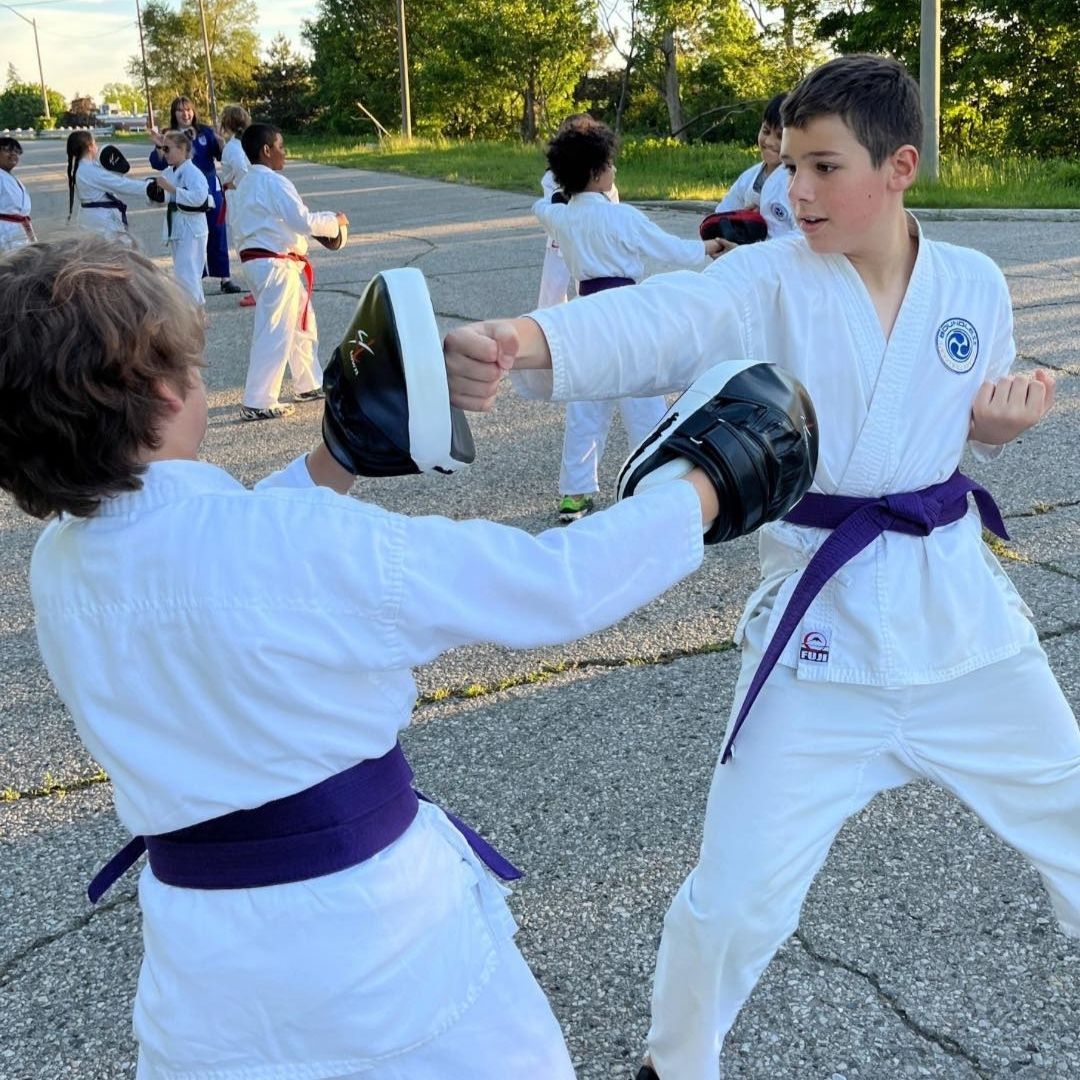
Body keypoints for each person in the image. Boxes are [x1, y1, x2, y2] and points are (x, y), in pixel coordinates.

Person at [444, 54, 1076, 1080]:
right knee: (734, 903)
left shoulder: (974, 285)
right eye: (790, 165)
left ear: (901, 167)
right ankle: (674, 1066)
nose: (797, 191)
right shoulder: (769, 277)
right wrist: (521, 338)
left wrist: (996, 431)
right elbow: (656, 321)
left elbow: (948, 429)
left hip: (964, 632)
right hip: (822, 643)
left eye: (825, 168)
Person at [0, 235, 729, 1080]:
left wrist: (334, 460)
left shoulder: (59, 563)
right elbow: (551, 585)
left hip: (203, 961)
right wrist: (701, 489)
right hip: (380, 942)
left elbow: (209, 550)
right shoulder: (301, 547)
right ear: (166, 386)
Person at [533, 115, 723, 522]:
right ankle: (657, 482)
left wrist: (557, 195)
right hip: (627, 313)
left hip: (585, 315)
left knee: (586, 406)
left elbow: (542, 206)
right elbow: (668, 247)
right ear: (598, 172)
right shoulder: (622, 216)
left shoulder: (561, 217)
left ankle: (575, 493)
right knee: (645, 403)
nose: (615, 171)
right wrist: (708, 249)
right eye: (611, 165)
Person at [230, 123, 346, 421]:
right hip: (275, 264)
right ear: (266, 150)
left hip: (261, 262)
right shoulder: (274, 182)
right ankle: (258, 400)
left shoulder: (245, 184)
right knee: (276, 330)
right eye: (281, 146)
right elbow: (303, 220)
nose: (284, 152)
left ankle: (309, 382)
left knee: (300, 326)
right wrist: (334, 221)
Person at [149, 96, 243, 295]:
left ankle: (225, 277)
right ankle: (195, 279)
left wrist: (220, 142)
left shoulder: (205, 132)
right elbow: (158, 163)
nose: (185, 114)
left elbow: (220, 156)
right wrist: (159, 146)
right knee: (191, 234)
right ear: (174, 114)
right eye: (180, 110)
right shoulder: (169, 135)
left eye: (189, 109)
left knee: (217, 230)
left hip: (209, 184)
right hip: (183, 186)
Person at [712, 92, 797, 246]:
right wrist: (740, 219)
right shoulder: (749, 178)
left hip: (782, 264)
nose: (769, 141)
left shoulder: (797, 184)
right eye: (765, 131)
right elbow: (721, 215)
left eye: (780, 136)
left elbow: (802, 239)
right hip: (748, 261)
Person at [152, 130, 210, 313]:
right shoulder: (168, 172)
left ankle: (193, 314)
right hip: (177, 226)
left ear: (183, 149)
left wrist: (172, 189)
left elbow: (200, 198)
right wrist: (155, 194)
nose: (164, 152)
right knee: (183, 272)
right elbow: (162, 198)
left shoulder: (194, 173)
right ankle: (197, 313)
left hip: (192, 229)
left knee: (189, 273)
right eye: (162, 148)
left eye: (167, 148)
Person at [66, 131, 157, 244]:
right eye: (95, 143)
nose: (97, 146)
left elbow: (113, 179)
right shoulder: (89, 171)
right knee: (117, 254)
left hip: (90, 217)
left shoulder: (84, 168)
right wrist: (149, 187)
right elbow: (120, 184)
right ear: (90, 147)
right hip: (101, 220)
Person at [218, 103, 256, 308]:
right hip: (246, 197)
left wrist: (231, 183)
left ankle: (255, 289)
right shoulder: (246, 144)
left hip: (237, 197)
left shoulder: (232, 148)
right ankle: (257, 288)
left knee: (244, 243)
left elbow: (242, 170)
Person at [0, 136, 34, 252]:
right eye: (7, 150)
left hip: (19, 229)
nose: (13, 154)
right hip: (5, 232)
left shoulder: (9, 177)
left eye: (17, 151)